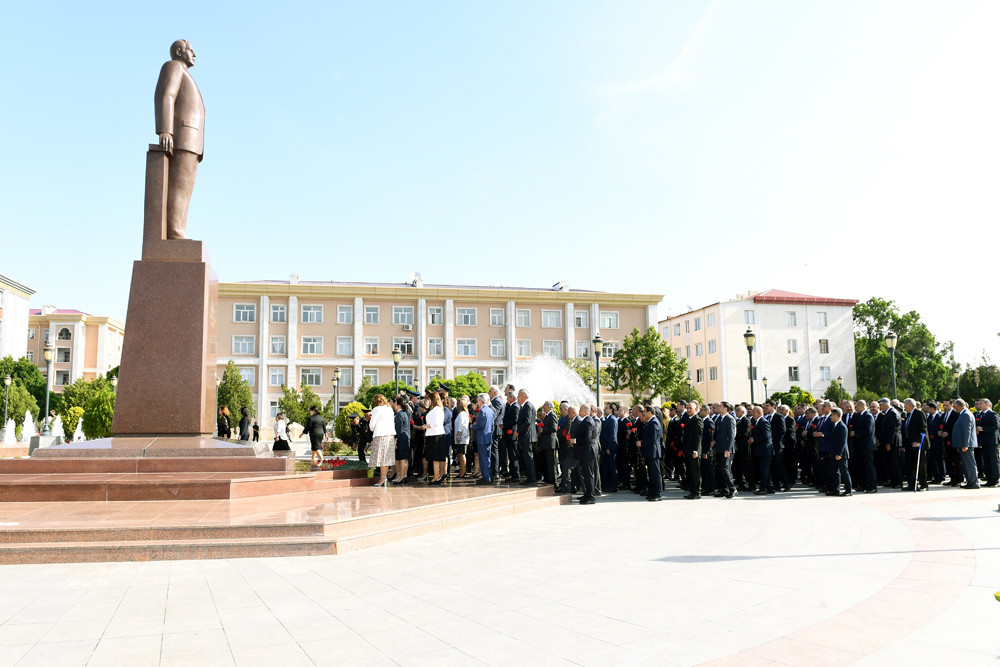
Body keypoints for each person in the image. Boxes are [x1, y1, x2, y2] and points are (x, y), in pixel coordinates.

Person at [154, 40, 206, 240]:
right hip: (183, 136)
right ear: (178, 51)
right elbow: (166, 95)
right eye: (190, 50)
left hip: (192, 141)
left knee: (185, 190)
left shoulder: (186, 73)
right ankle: (175, 231)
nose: (194, 53)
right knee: (178, 188)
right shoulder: (173, 67)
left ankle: (179, 229)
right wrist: (166, 130)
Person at [568, 405, 598, 504]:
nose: (579, 411)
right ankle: (587, 494)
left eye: (581, 409)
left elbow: (587, 439)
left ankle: (591, 497)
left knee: (588, 475)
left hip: (587, 452)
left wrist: (575, 441)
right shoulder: (585, 420)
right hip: (584, 452)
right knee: (586, 474)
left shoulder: (588, 421)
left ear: (586, 412)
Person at [368, 394, 396, 487]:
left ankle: (382, 478)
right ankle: (384, 477)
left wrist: (371, 418)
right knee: (386, 458)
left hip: (380, 435)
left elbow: (372, 426)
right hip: (390, 436)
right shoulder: (389, 409)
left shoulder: (376, 409)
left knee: (381, 459)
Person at [951, 399, 980, 489]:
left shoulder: (966, 415)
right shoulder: (963, 414)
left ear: (959, 406)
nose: (954, 409)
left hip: (967, 444)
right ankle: (970, 481)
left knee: (969, 463)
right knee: (966, 463)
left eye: (955, 407)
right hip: (964, 444)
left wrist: (965, 444)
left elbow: (966, 431)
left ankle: (973, 482)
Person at [902, 398, 928, 491]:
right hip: (909, 444)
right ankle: (912, 484)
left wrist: (918, 440)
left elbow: (923, 428)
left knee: (920, 465)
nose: (904, 407)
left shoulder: (919, 413)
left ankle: (924, 485)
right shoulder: (908, 415)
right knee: (910, 465)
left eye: (905, 404)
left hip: (918, 444)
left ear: (910, 405)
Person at [852, 400, 877, 492]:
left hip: (867, 445)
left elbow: (868, 430)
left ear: (860, 406)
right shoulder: (859, 415)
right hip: (861, 445)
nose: (856, 408)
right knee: (862, 466)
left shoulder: (868, 416)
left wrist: (856, 432)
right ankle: (864, 485)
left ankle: (872, 486)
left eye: (857, 407)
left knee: (868, 466)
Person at [515, 390, 539, 487]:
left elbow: (527, 421)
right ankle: (530, 477)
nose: (517, 397)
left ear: (523, 396)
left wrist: (518, 431)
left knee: (528, 458)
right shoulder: (525, 406)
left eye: (519, 396)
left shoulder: (528, 405)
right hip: (526, 436)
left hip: (527, 436)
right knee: (527, 457)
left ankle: (532, 479)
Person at [470, 393, 495, 485]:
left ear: (480, 401)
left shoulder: (482, 411)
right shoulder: (490, 410)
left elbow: (480, 425)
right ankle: (488, 476)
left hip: (482, 438)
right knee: (488, 458)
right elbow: (492, 426)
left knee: (483, 458)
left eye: (478, 401)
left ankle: (486, 478)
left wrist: (472, 426)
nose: (477, 403)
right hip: (488, 438)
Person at [639, 406, 663, 501]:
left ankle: (658, 494)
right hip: (650, 452)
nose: (643, 414)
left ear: (649, 412)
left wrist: (642, 443)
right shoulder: (650, 422)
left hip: (654, 452)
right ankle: (653, 492)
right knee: (651, 474)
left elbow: (653, 439)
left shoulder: (654, 422)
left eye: (644, 412)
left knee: (655, 474)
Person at [714, 402, 737, 498]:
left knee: (725, 469)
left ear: (726, 409)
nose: (718, 408)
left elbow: (731, 435)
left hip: (726, 449)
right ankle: (724, 489)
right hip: (719, 447)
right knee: (720, 469)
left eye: (720, 407)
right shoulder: (720, 418)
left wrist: (728, 449)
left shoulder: (729, 419)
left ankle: (732, 488)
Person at [681, 402, 704, 499]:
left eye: (690, 408)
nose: (688, 410)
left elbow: (698, 437)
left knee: (695, 472)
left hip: (694, 451)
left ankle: (697, 492)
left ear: (696, 408)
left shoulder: (697, 420)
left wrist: (696, 450)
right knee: (690, 471)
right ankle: (692, 490)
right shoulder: (689, 419)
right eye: (687, 408)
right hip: (688, 450)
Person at [828, 407, 852, 496]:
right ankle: (835, 490)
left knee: (844, 472)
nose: (830, 417)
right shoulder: (835, 425)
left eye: (831, 415)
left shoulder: (842, 426)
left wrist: (839, 453)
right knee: (835, 472)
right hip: (835, 453)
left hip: (841, 454)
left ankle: (849, 490)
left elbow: (842, 442)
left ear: (836, 415)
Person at [975, 399, 1000, 487]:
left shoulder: (993, 414)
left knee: (993, 461)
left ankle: (995, 480)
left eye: (981, 404)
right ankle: (989, 479)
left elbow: (996, 426)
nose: (980, 405)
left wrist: (983, 429)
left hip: (992, 442)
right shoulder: (981, 414)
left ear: (987, 405)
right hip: (984, 442)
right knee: (987, 461)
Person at [425, 392, 448, 485]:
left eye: (429, 399)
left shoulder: (437, 409)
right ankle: (437, 475)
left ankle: (436, 476)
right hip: (433, 435)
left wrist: (426, 426)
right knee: (435, 457)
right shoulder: (435, 409)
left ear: (433, 400)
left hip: (436, 435)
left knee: (436, 457)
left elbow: (436, 422)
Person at [749, 405, 772, 496]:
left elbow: (766, 436)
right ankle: (770, 487)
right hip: (760, 450)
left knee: (764, 470)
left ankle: (763, 488)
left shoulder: (764, 422)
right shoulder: (755, 422)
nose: (752, 413)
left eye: (754, 411)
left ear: (760, 413)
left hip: (765, 450)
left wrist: (754, 439)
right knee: (765, 469)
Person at [538, 401, 559, 486]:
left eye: (545, 405)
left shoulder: (552, 415)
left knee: (551, 464)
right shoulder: (547, 416)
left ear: (549, 407)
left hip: (550, 444)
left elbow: (554, 428)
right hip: (546, 444)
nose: (543, 407)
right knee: (547, 464)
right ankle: (549, 480)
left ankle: (554, 482)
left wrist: (543, 430)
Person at [392, 396, 411, 483]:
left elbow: (398, 429)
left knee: (401, 458)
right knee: (405, 458)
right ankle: (404, 475)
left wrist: (395, 441)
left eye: (395, 403)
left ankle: (401, 476)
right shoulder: (405, 413)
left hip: (401, 438)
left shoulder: (399, 414)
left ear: (398, 405)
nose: (394, 405)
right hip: (406, 437)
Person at [501, 393, 521, 483]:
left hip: (512, 434)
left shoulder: (515, 406)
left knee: (513, 455)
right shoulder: (510, 406)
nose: (506, 399)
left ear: (512, 398)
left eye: (508, 397)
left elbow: (515, 419)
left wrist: (504, 425)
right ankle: (513, 474)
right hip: (509, 434)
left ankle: (516, 475)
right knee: (511, 455)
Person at [454, 396, 471, 478]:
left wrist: (458, 436)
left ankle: (463, 471)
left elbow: (460, 426)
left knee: (462, 454)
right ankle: (462, 471)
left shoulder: (462, 414)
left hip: (462, 438)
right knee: (460, 454)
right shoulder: (463, 413)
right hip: (463, 437)